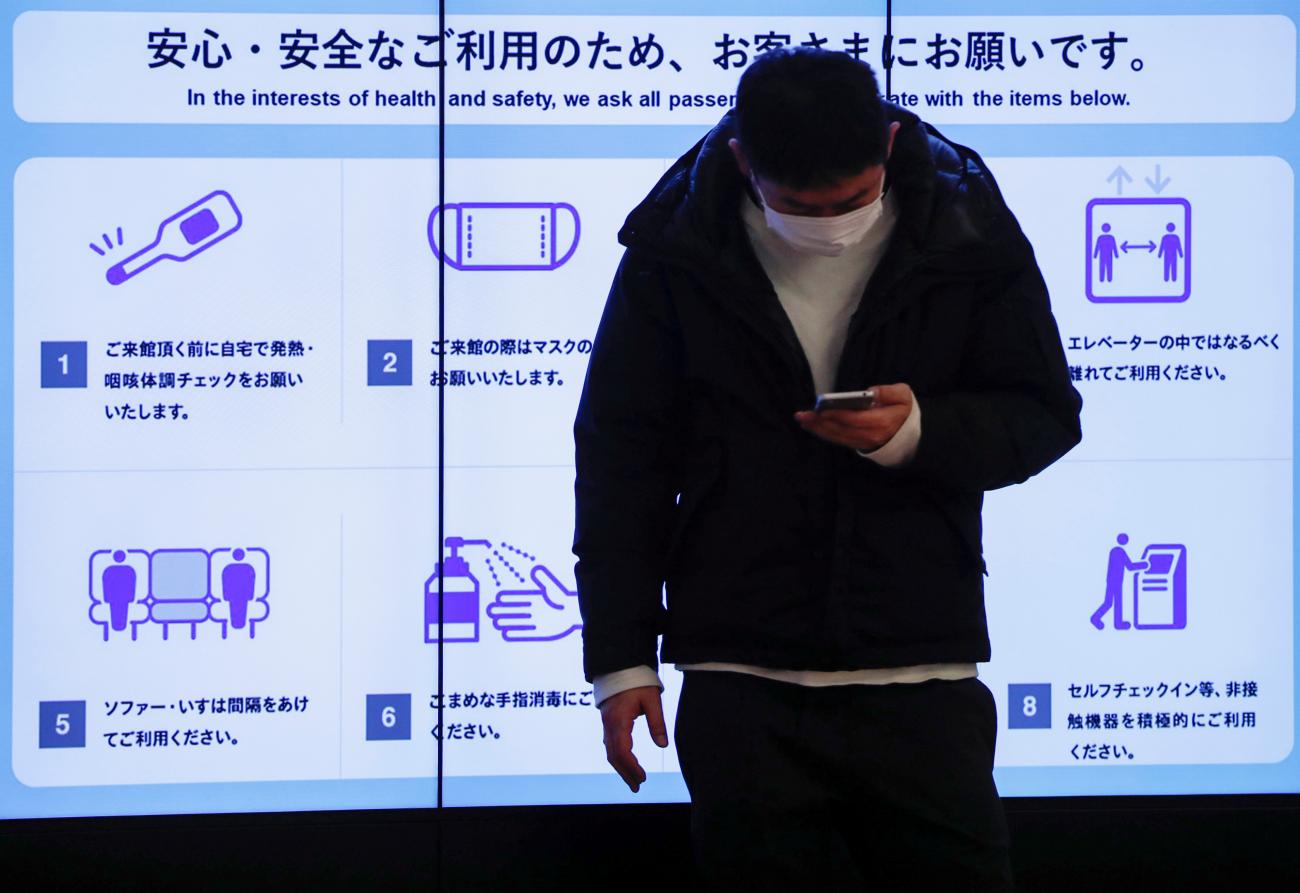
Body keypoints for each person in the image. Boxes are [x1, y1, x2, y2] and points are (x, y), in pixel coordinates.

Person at [573, 47, 1082, 891]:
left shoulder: (968, 227)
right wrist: (621, 660)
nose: (829, 223)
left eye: (851, 201)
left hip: (922, 667)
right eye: (797, 206)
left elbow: (1043, 414)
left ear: (887, 144)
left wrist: (918, 431)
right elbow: (619, 459)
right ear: (742, 161)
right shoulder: (676, 246)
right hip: (740, 673)